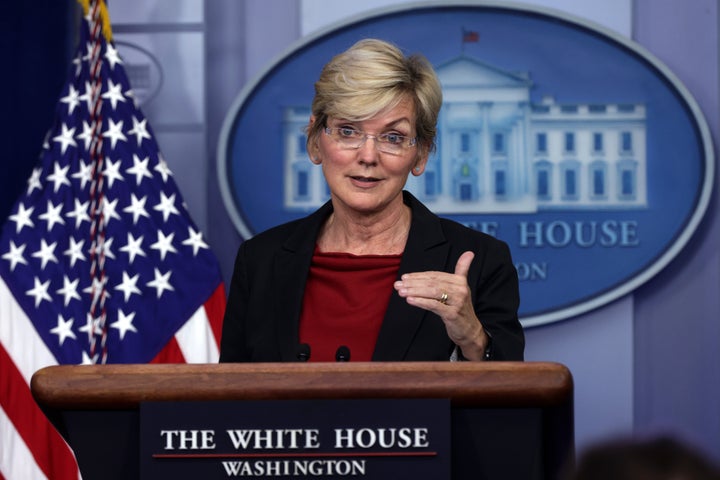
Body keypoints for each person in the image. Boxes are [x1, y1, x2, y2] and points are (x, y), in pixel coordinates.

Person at [219, 38, 524, 363]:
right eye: (348, 131)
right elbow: (233, 402)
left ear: (420, 155)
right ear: (315, 141)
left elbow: (506, 406)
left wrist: (474, 339)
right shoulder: (260, 261)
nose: (368, 156)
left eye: (393, 137)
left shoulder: (481, 263)